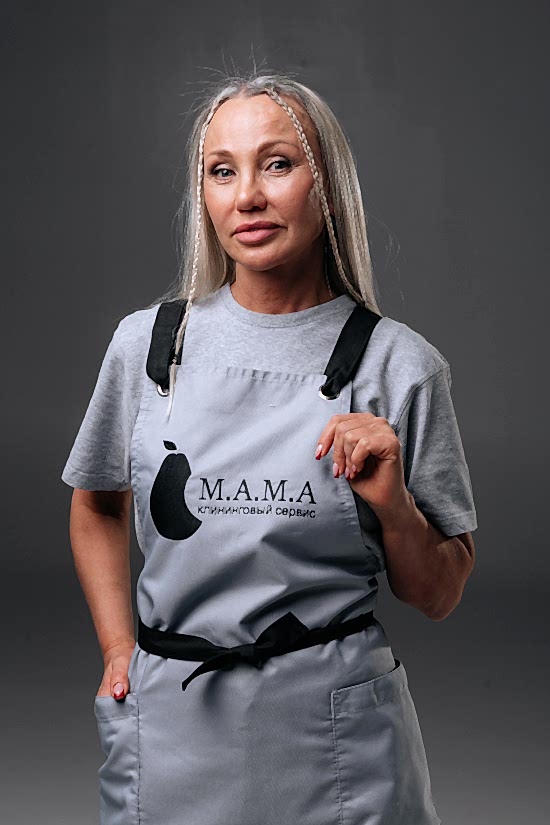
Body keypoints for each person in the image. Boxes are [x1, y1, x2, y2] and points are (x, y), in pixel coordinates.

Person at [61, 71, 477, 825]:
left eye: (277, 164)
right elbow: (96, 505)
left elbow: (439, 593)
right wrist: (120, 648)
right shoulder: (148, 347)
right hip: (174, 728)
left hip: (337, 744)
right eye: (222, 171)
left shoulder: (400, 367)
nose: (247, 196)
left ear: (328, 185)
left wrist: (394, 505)